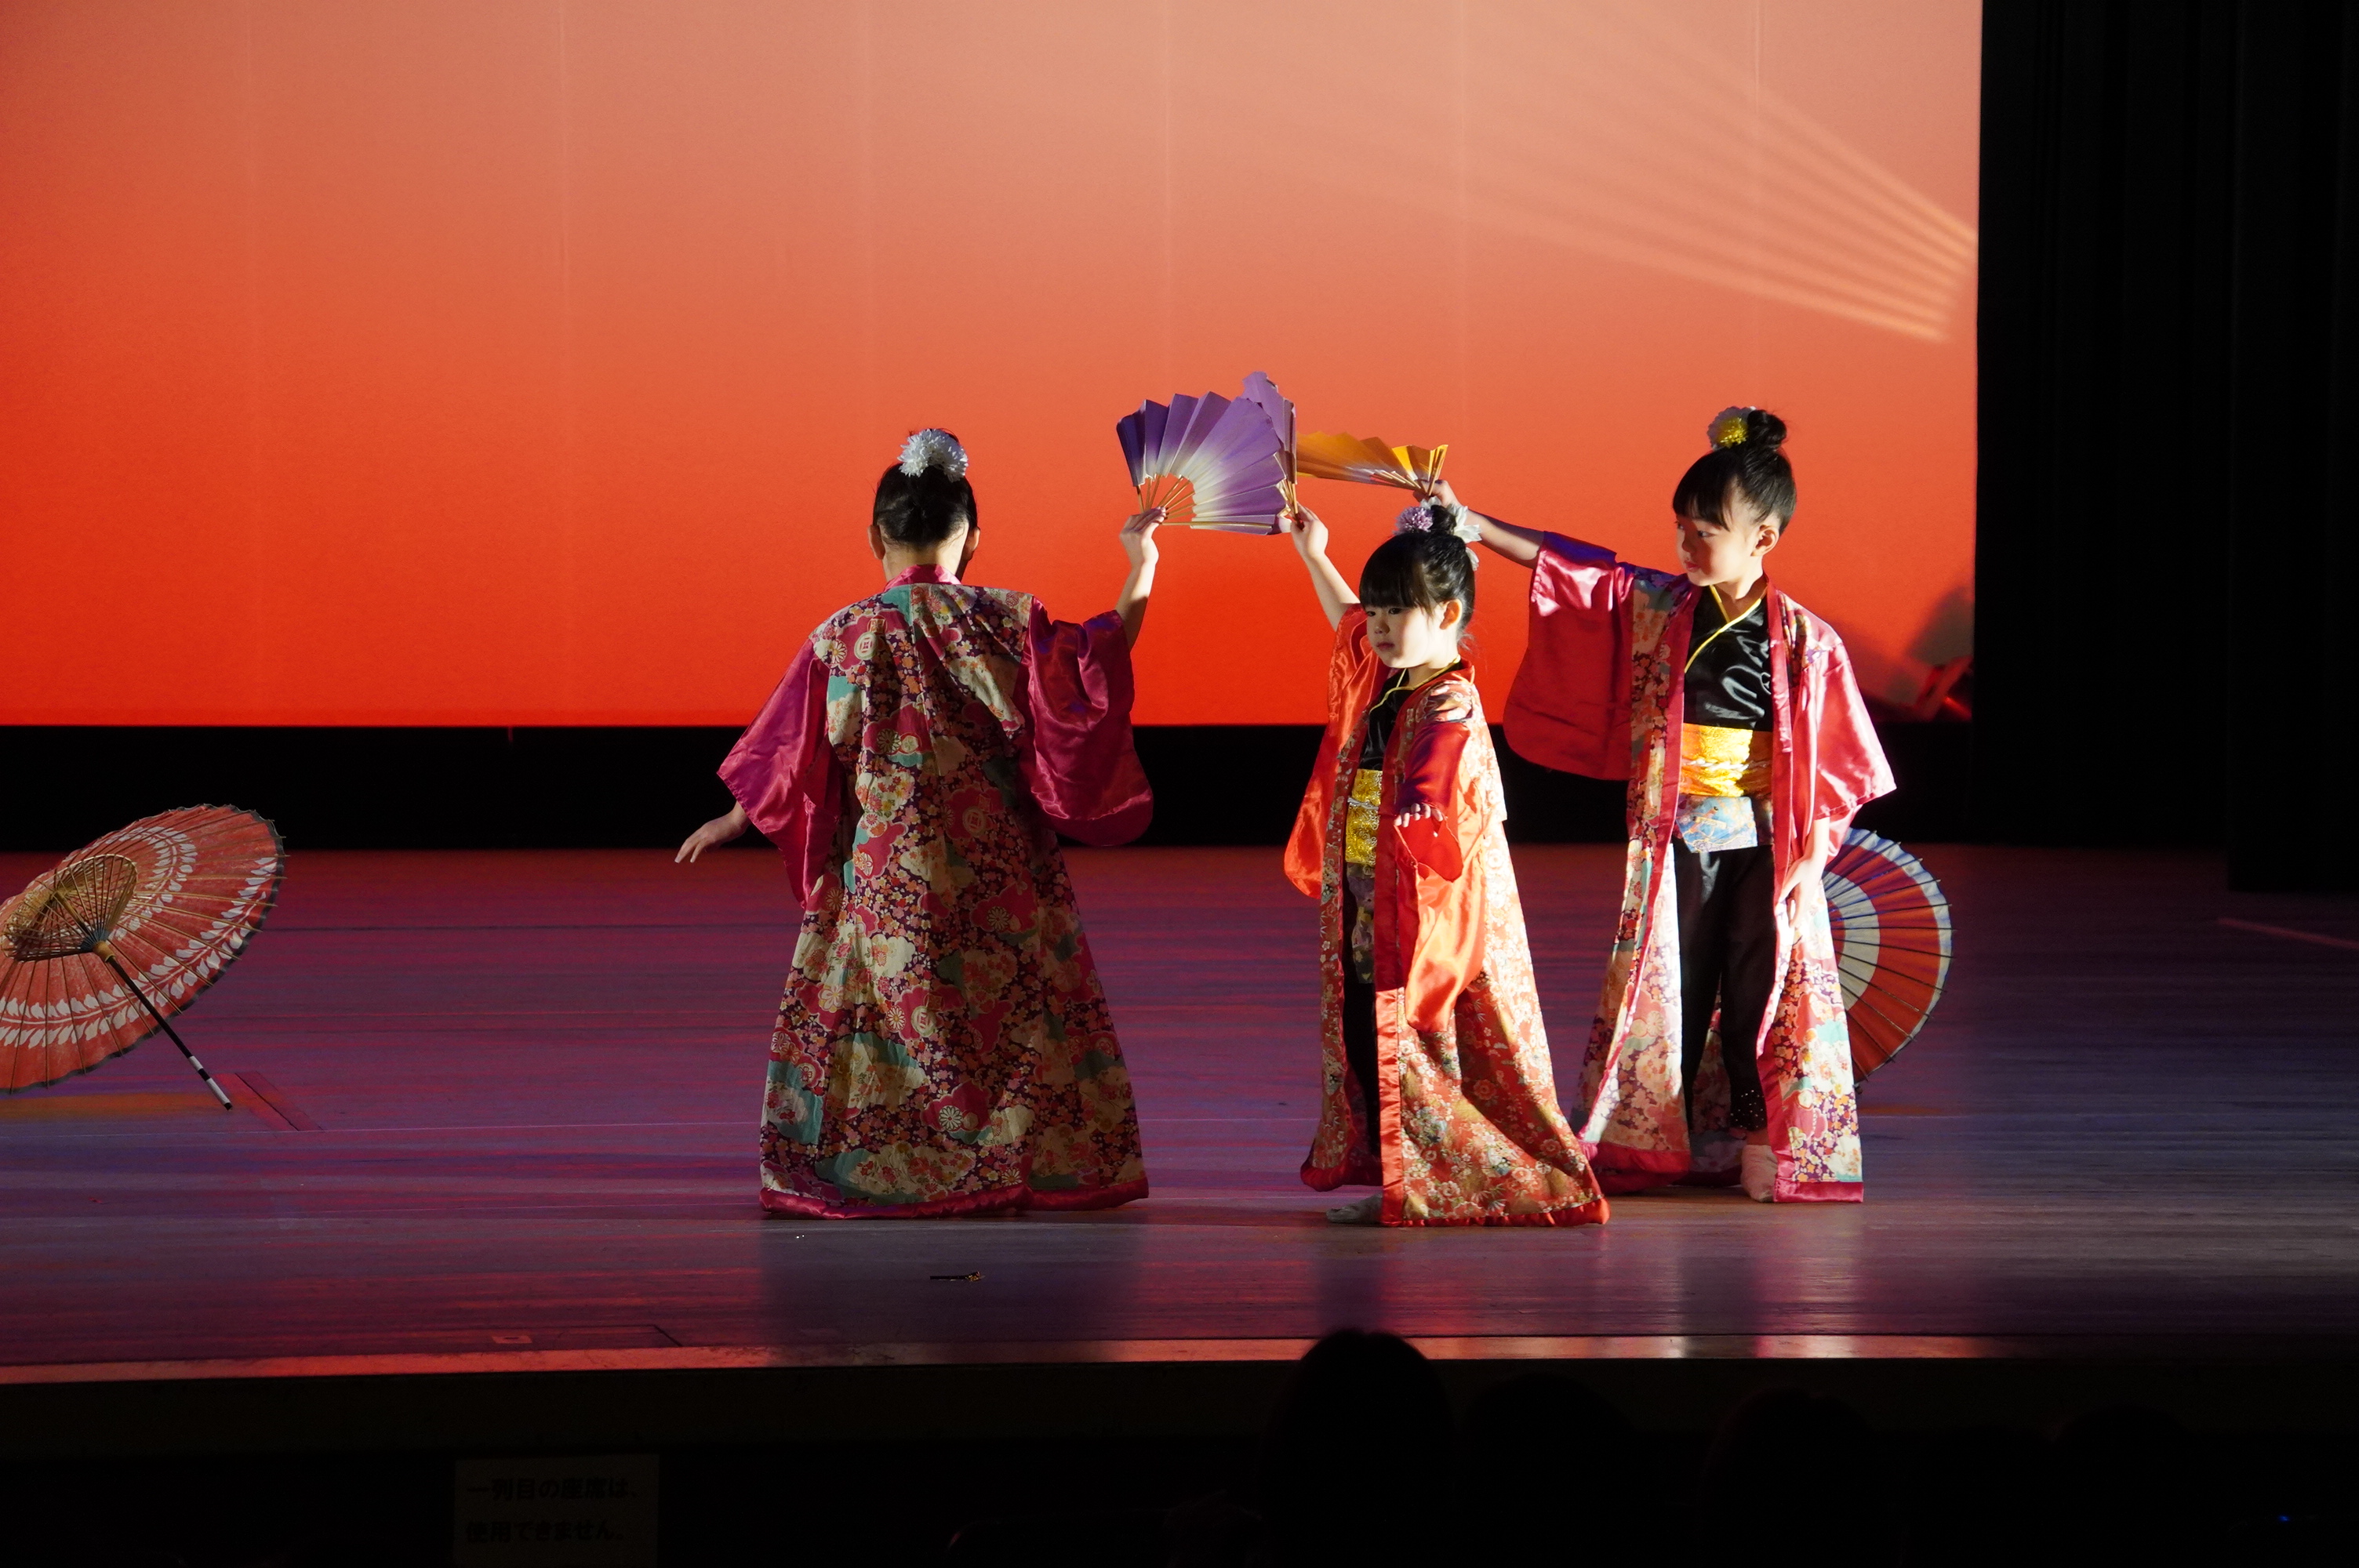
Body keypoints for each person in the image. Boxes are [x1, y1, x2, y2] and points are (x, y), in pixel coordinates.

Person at [678, 429, 1159, 1217]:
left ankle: (888, 1164)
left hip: (883, 860)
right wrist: (1142, 565)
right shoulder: (1008, 619)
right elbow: (1094, 673)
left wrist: (735, 816)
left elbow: (789, 746)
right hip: (997, 855)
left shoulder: (844, 633)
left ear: (877, 536)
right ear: (973, 535)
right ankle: (1008, 1160)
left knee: (885, 1007)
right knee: (1007, 1004)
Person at [1459, 406, 1892, 1203]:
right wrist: (1476, 526)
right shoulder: (1661, 606)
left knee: (1757, 989)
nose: (1686, 546)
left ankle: (1759, 1138)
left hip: (1767, 840)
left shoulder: (1808, 642)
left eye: (1705, 532)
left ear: (1763, 538)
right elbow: (1579, 572)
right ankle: (1661, 1140)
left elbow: (1840, 767)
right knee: (1673, 986)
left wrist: (1811, 856)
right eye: (1681, 529)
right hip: (1677, 832)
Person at [1277, 498, 1609, 1227]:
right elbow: (1347, 621)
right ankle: (1403, 1179)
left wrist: (1421, 798)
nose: (1379, 624)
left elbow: (1438, 758)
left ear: (1449, 613)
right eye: (1377, 610)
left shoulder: (1449, 697)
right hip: (1371, 886)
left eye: (1398, 611)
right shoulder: (1383, 673)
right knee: (1368, 1024)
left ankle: (1436, 1184)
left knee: (1418, 1032)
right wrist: (1314, 552)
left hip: (1423, 896)